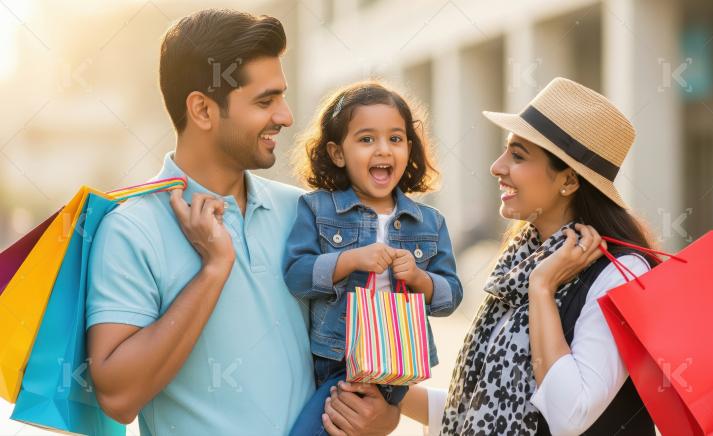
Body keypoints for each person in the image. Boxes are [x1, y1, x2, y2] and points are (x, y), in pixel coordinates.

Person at [323, 77, 659, 435]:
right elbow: (479, 408)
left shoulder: (620, 274)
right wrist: (386, 394)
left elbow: (568, 415)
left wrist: (542, 288)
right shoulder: (521, 259)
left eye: (517, 156)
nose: (497, 166)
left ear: (569, 181)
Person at [86, 9, 314, 435]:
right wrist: (213, 271)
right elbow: (118, 398)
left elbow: (351, 361)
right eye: (265, 101)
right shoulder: (131, 229)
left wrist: (382, 412)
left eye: (281, 97)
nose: (285, 116)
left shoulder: (306, 213)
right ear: (203, 110)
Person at [283, 81, 463, 435]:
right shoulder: (317, 208)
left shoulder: (429, 222)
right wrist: (349, 261)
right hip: (339, 360)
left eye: (395, 139)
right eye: (366, 139)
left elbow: (450, 296)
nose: (383, 150)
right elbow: (296, 273)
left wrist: (419, 279)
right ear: (337, 153)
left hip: (397, 362)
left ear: (409, 149)